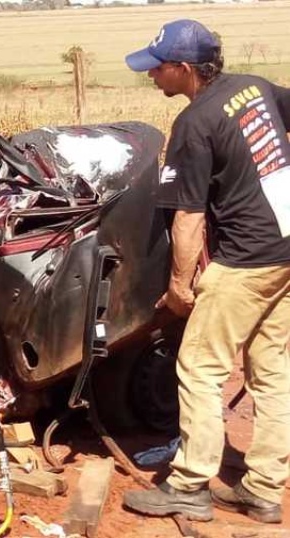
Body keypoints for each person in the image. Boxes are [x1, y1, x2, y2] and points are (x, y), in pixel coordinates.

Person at [121, 19, 290, 525]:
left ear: (184, 68)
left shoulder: (195, 123)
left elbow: (188, 218)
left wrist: (179, 289)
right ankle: (263, 490)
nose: (151, 75)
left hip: (243, 263)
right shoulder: (255, 88)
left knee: (199, 367)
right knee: (272, 371)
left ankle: (190, 484)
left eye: (158, 68)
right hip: (284, 253)